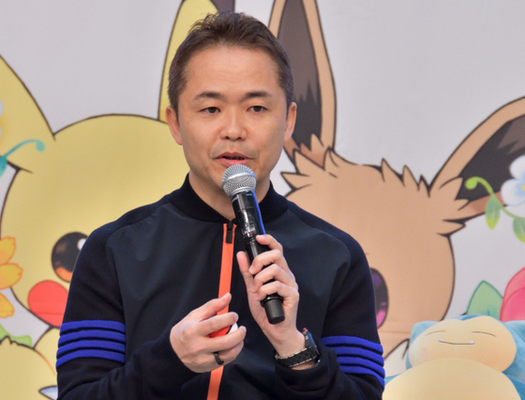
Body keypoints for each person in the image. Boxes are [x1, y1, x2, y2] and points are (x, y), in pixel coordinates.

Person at [57, 11, 384, 399]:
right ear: (175, 123)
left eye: (256, 108)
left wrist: (293, 346)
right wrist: (170, 360)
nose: (234, 130)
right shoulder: (114, 249)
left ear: (289, 120)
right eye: (211, 109)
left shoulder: (336, 257)